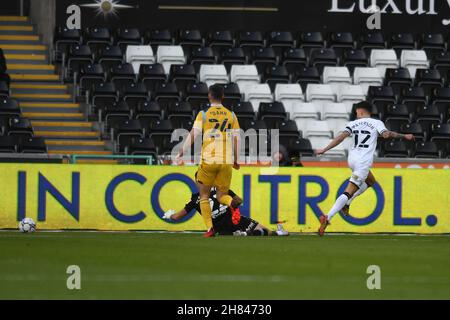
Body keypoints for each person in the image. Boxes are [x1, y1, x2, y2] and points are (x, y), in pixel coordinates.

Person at [315, 101, 415, 236]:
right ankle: (328, 217)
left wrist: (324, 149)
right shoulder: (376, 123)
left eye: (356, 112)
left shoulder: (352, 124)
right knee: (349, 191)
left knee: (371, 181)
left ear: (361, 111)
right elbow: (386, 134)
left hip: (352, 160)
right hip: (363, 162)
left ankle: (347, 203)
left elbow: (340, 138)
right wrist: (404, 136)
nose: (356, 114)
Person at [176, 84, 241, 237]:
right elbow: (237, 139)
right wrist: (236, 159)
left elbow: (193, 134)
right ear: (223, 96)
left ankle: (210, 229)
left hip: (209, 160)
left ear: (209, 96)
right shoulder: (231, 115)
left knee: (203, 196)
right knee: (221, 196)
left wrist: (181, 150)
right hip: (226, 160)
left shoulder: (203, 114)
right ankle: (232, 202)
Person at [162, 188, 289, 236]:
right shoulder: (221, 190)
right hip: (235, 220)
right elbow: (238, 201)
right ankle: (279, 232)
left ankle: (241, 234)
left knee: (228, 233)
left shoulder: (195, 199)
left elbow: (177, 217)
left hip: (219, 229)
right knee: (267, 232)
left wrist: (170, 215)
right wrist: (232, 205)